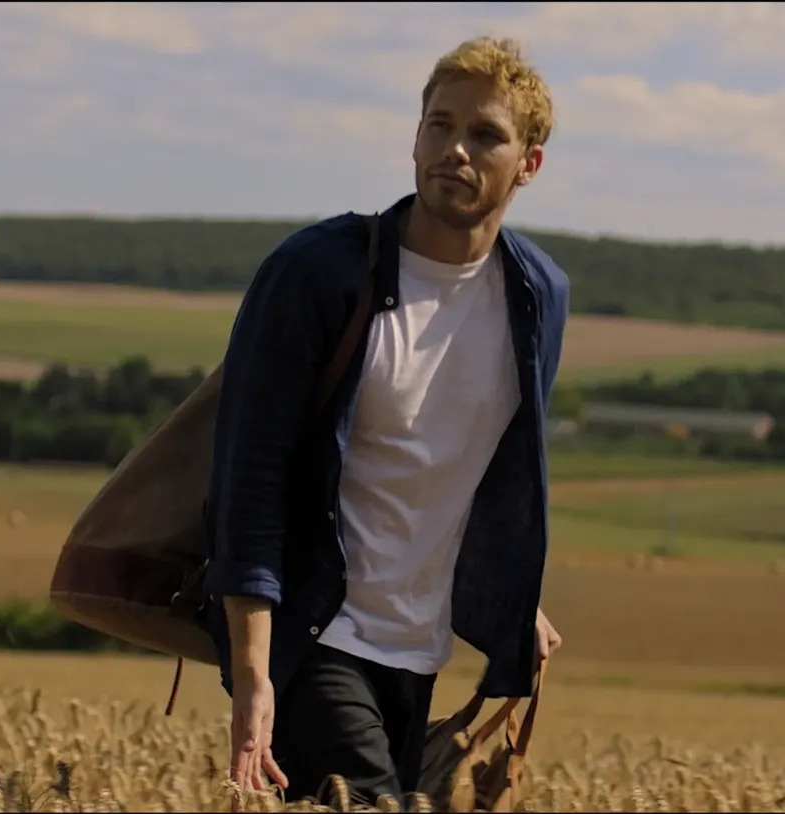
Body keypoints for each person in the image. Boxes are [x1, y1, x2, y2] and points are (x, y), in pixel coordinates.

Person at [199, 36, 571, 806]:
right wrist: (254, 675)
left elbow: (479, 463)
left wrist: (511, 590)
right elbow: (250, 480)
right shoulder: (319, 274)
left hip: (418, 647)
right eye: (439, 125)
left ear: (528, 164)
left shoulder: (537, 297)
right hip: (313, 631)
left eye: (485, 135)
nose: (455, 150)